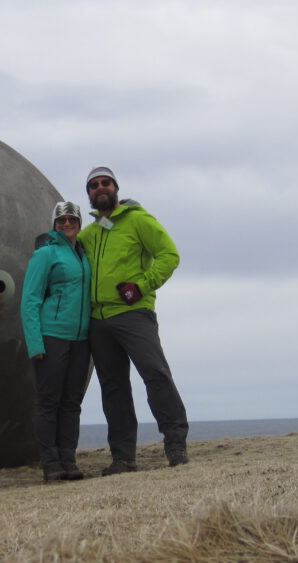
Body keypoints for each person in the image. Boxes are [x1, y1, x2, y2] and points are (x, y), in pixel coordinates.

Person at [78, 166, 189, 474]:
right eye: (93, 185)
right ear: (88, 194)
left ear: (115, 187)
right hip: (98, 321)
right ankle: (123, 457)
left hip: (133, 314)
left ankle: (176, 444)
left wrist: (140, 286)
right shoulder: (89, 234)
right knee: (113, 388)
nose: (100, 188)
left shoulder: (139, 220)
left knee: (155, 374)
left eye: (105, 183)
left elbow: (169, 255)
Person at [20, 202, 92, 483]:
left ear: (78, 222)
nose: (66, 224)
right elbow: (30, 299)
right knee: (49, 402)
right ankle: (51, 463)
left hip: (81, 338)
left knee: (72, 402)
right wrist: (35, 343)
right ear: (54, 224)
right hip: (52, 335)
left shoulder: (83, 254)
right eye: (61, 220)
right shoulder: (45, 254)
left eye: (71, 219)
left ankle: (69, 461)